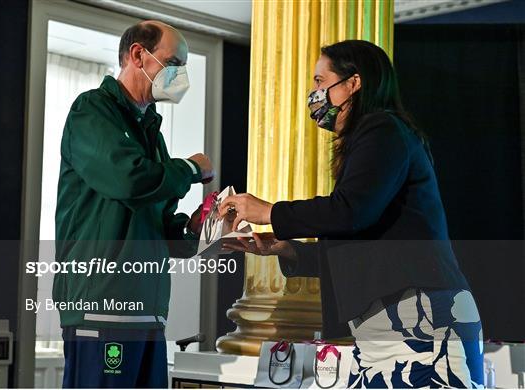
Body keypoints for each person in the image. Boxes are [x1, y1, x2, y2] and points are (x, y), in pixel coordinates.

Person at [220, 40, 484, 388]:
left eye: (319, 81)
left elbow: (350, 211)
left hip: (419, 321)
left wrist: (270, 211)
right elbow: (363, 241)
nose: (313, 93)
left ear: (353, 83)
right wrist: (286, 248)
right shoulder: (377, 136)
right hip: (390, 325)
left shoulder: (383, 130)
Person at [53, 21, 214, 388]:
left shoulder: (151, 133)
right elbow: (130, 179)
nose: (180, 75)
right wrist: (191, 168)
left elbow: (159, 225)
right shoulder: (93, 111)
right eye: (173, 63)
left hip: (149, 313)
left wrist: (201, 227)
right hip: (102, 309)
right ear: (138, 54)